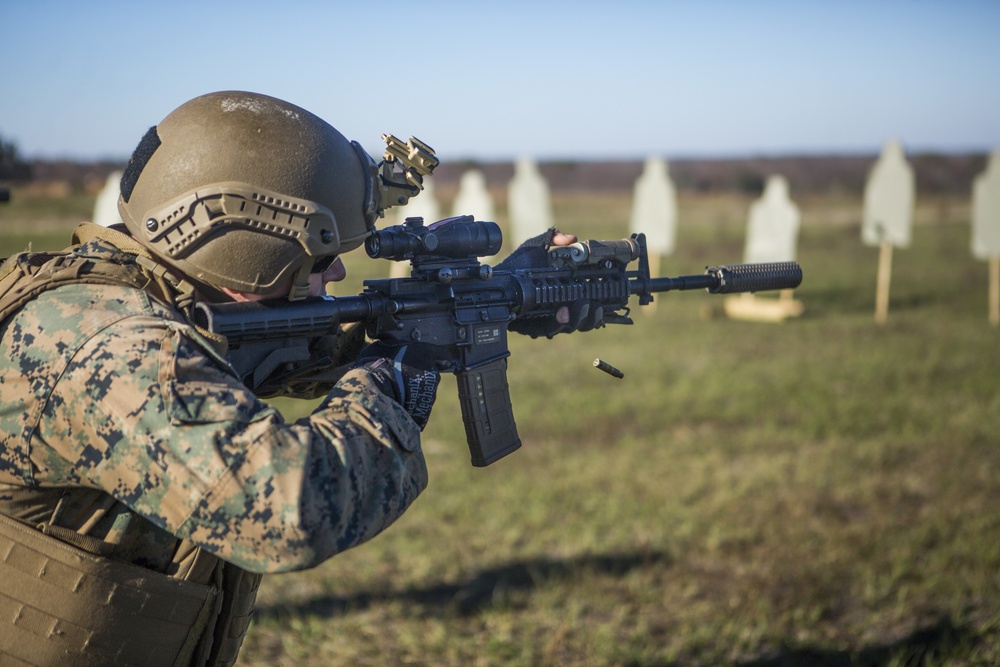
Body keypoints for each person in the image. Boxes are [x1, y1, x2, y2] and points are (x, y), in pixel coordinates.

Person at [0, 90, 590, 666]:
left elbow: (291, 351)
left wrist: (490, 302)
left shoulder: (152, 293)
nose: (335, 268)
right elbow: (289, 509)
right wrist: (391, 377)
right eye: (318, 254)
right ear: (246, 247)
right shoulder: (108, 345)